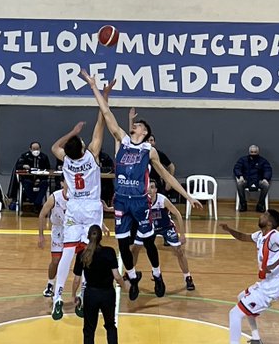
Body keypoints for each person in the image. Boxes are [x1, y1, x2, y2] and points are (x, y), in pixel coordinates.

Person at [81, 70, 200, 301]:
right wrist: (94, 87)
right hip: (121, 200)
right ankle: (133, 277)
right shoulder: (123, 140)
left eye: (137, 125)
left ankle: (157, 274)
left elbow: (167, 177)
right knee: (123, 243)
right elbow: (106, 113)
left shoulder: (149, 150)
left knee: (148, 241)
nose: (133, 125)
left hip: (139, 201)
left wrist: (188, 195)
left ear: (144, 132)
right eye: (132, 124)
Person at [212, 209, 279, 344]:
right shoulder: (260, 235)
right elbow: (244, 237)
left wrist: (273, 265)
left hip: (272, 286)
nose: (261, 216)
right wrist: (229, 230)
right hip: (264, 283)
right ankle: (256, 339)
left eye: (265, 215)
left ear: (270, 222)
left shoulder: (274, 235)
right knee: (241, 298)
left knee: (234, 314)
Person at [49, 105, 108, 320]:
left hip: (73, 207)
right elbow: (100, 125)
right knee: (87, 251)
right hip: (91, 208)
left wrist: (73, 132)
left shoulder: (65, 160)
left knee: (67, 252)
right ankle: (82, 295)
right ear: (83, 148)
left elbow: (55, 146)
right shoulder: (92, 156)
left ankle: (58, 297)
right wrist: (104, 99)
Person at [75, 225, 129, 344]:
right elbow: (117, 276)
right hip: (107, 294)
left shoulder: (82, 254)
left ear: (88, 236)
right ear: (101, 237)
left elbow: (77, 280)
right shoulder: (109, 252)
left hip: (91, 295)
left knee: (89, 332)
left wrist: (74, 295)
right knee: (110, 327)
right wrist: (125, 287)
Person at [136, 180, 195, 291]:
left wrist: (182, 234)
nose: (149, 190)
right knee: (135, 248)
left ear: (156, 190)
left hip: (165, 227)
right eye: (148, 187)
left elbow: (177, 214)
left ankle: (188, 277)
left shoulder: (162, 200)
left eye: (152, 187)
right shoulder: (141, 200)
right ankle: (130, 273)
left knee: (179, 251)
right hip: (149, 228)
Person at [37, 181, 68, 298]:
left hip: (73, 230)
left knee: (80, 261)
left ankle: (84, 287)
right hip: (58, 231)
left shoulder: (77, 196)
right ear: (62, 183)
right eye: (67, 181)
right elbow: (41, 215)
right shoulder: (54, 197)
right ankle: (50, 284)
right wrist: (41, 235)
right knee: (55, 261)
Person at [233, 145, 272, 213]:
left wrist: (266, 178)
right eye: (252, 152)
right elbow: (237, 168)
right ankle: (243, 204)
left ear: (258, 152)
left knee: (266, 185)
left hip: (258, 181)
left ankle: (260, 205)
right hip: (246, 180)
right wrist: (240, 176)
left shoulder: (263, 161)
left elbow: (268, 170)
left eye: (255, 152)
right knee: (239, 184)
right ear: (249, 152)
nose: (253, 153)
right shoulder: (243, 160)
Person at [147, 133, 176, 198]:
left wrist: (169, 182)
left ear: (154, 142)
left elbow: (171, 166)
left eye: (151, 140)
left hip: (157, 182)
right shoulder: (140, 154)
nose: (149, 142)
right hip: (144, 182)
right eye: (147, 140)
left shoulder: (160, 154)